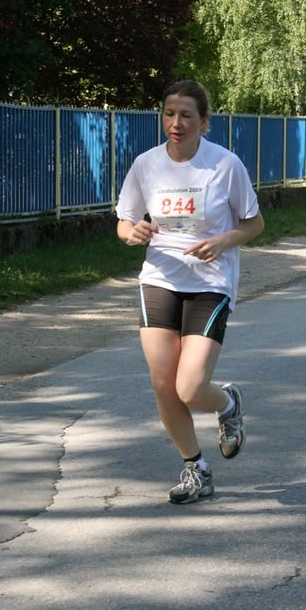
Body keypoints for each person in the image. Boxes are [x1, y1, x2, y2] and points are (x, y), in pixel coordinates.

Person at [116, 80, 264, 504]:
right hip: (160, 278)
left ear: (204, 121)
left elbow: (254, 224)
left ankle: (228, 404)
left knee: (190, 388)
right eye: (168, 113)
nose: (175, 123)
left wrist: (223, 241)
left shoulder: (225, 165)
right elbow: (124, 222)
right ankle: (196, 469)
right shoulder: (146, 164)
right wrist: (134, 232)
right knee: (164, 385)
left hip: (209, 284)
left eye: (185, 115)